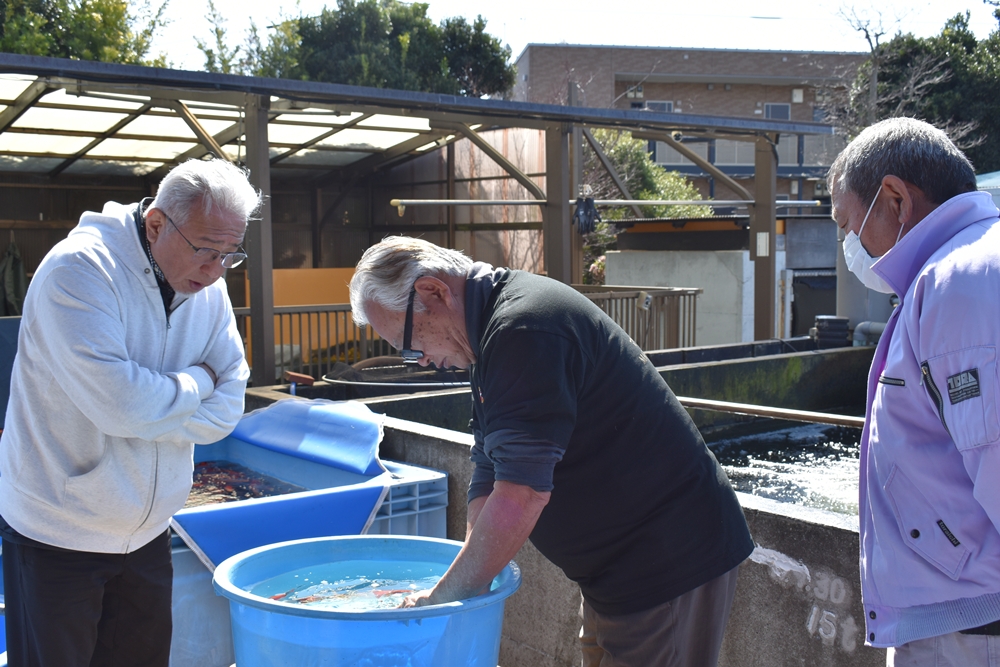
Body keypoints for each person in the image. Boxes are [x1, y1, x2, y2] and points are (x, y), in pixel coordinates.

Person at [350, 236, 754, 666]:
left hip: (664, 565)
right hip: (616, 572)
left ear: (434, 291)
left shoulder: (523, 329)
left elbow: (522, 492)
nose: (420, 362)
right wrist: (464, 578)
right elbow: (489, 465)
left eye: (410, 345)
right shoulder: (488, 334)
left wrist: (443, 597)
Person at [0, 158, 260, 666]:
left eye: (232, 254)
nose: (217, 271)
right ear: (157, 223)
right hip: (58, 529)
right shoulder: (78, 271)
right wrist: (197, 381)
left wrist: (155, 404)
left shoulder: (211, 288)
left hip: (147, 531)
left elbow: (228, 408)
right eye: (207, 250)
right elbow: (121, 407)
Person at [828, 117, 1000, 665]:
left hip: (970, 627)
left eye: (849, 225)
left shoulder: (957, 284)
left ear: (896, 199)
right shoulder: (965, 267)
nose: (849, 245)